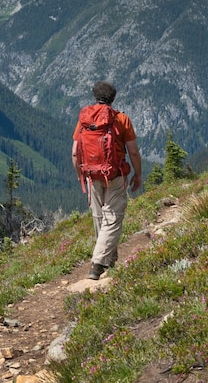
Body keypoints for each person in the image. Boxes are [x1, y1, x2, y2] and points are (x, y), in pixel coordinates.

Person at [72, 80, 142, 280]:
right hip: (115, 176)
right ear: (113, 99)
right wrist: (138, 174)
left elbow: (75, 153)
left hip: (92, 176)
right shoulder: (121, 119)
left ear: (95, 97)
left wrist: (80, 175)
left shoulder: (84, 119)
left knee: (99, 218)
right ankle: (97, 264)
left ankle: (108, 260)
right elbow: (134, 152)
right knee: (112, 219)